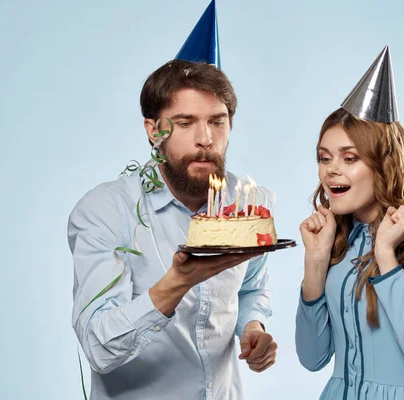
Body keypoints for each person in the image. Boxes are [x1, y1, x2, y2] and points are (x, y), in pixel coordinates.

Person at [68, 2, 277, 399]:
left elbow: (251, 289)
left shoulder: (248, 206)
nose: (206, 139)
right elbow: (98, 347)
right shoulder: (105, 213)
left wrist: (254, 328)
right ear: (154, 130)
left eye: (217, 121)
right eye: (186, 123)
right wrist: (177, 283)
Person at [295, 46, 404, 400]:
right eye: (324, 158)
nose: (331, 170)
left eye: (350, 157)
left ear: (383, 164)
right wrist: (315, 262)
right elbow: (312, 359)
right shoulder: (337, 240)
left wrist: (385, 254)